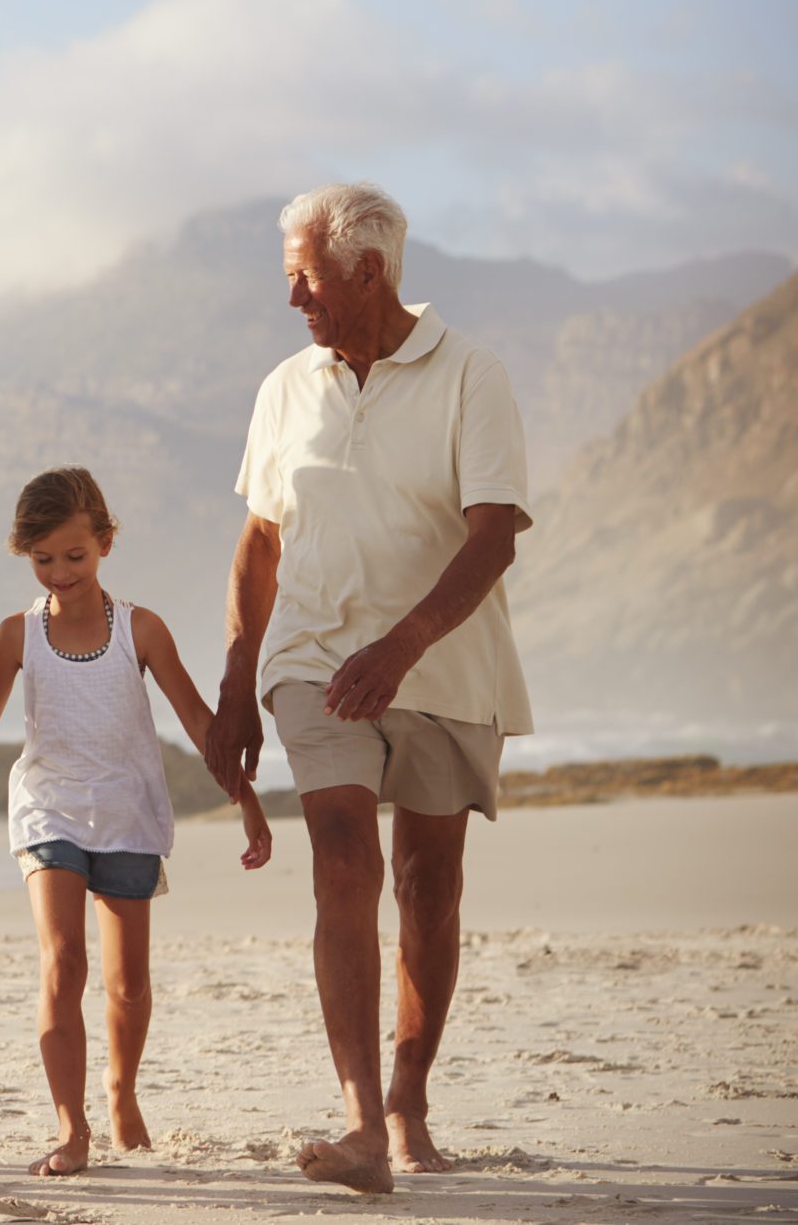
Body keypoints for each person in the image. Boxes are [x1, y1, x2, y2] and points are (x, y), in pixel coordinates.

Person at [203, 181, 532, 1197]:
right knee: (341, 857)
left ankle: (406, 1099)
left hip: (442, 666)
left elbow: (492, 537)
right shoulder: (283, 388)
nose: (293, 304)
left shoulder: (470, 374)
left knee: (428, 888)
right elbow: (259, 542)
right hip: (311, 659)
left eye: (305, 284)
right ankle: (357, 1126)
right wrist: (232, 680)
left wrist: (401, 647)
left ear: (369, 272)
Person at [0, 467, 272, 1178]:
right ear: (25, 555)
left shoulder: (142, 629)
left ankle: (121, 1088)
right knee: (63, 959)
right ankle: (73, 1127)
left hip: (129, 812)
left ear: (104, 542)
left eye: (74, 555)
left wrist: (247, 797)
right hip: (50, 808)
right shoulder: (15, 635)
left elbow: (200, 723)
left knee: (129, 983)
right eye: (43, 559)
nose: (60, 572)